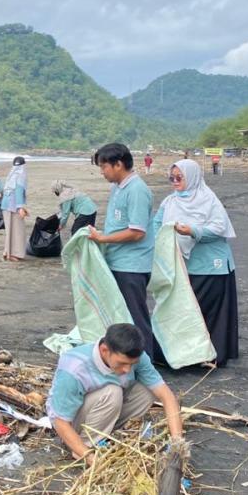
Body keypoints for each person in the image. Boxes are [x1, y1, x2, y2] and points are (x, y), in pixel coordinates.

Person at [47, 323, 183, 461]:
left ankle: (108, 435)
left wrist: (177, 443)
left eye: (132, 364)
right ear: (105, 350)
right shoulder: (74, 368)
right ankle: (85, 446)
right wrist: (90, 458)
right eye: (122, 363)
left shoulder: (137, 358)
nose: (127, 370)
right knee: (112, 392)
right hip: (71, 426)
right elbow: (61, 421)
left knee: (147, 391)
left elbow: (166, 396)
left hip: (101, 413)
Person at [153, 160, 238, 367]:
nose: (174, 182)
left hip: (211, 264)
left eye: (179, 178)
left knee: (207, 311)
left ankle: (211, 355)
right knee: (180, 308)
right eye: (171, 178)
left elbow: (219, 228)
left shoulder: (208, 199)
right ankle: (177, 354)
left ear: (192, 177)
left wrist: (192, 231)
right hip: (182, 264)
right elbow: (156, 223)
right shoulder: (170, 202)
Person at [88, 143, 156, 359]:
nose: (101, 172)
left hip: (132, 265)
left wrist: (104, 238)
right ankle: (125, 360)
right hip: (117, 261)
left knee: (135, 317)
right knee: (120, 315)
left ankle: (147, 363)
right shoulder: (118, 187)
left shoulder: (137, 190)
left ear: (118, 164)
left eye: (104, 166)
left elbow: (137, 232)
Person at [1, 156, 29, 261]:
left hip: (6, 205)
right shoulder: (21, 175)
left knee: (10, 230)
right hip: (13, 206)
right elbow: (18, 191)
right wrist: (20, 207)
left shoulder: (12, 174)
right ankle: (13, 254)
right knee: (18, 231)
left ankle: (7, 252)